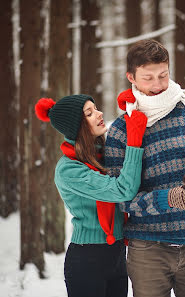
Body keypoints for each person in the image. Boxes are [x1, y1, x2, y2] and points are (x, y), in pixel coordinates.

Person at [104, 39, 185, 297]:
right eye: (148, 78)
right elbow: (119, 198)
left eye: (163, 75)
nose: (157, 85)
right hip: (147, 249)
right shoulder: (121, 130)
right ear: (131, 77)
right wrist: (167, 199)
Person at [34, 94, 147, 297]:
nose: (99, 113)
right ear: (77, 126)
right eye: (90, 112)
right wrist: (134, 141)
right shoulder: (69, 170)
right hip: (87, 260)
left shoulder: (104, 155)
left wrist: (135, 105)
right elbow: (123, 190)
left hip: (117, 255)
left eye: (95, 108)